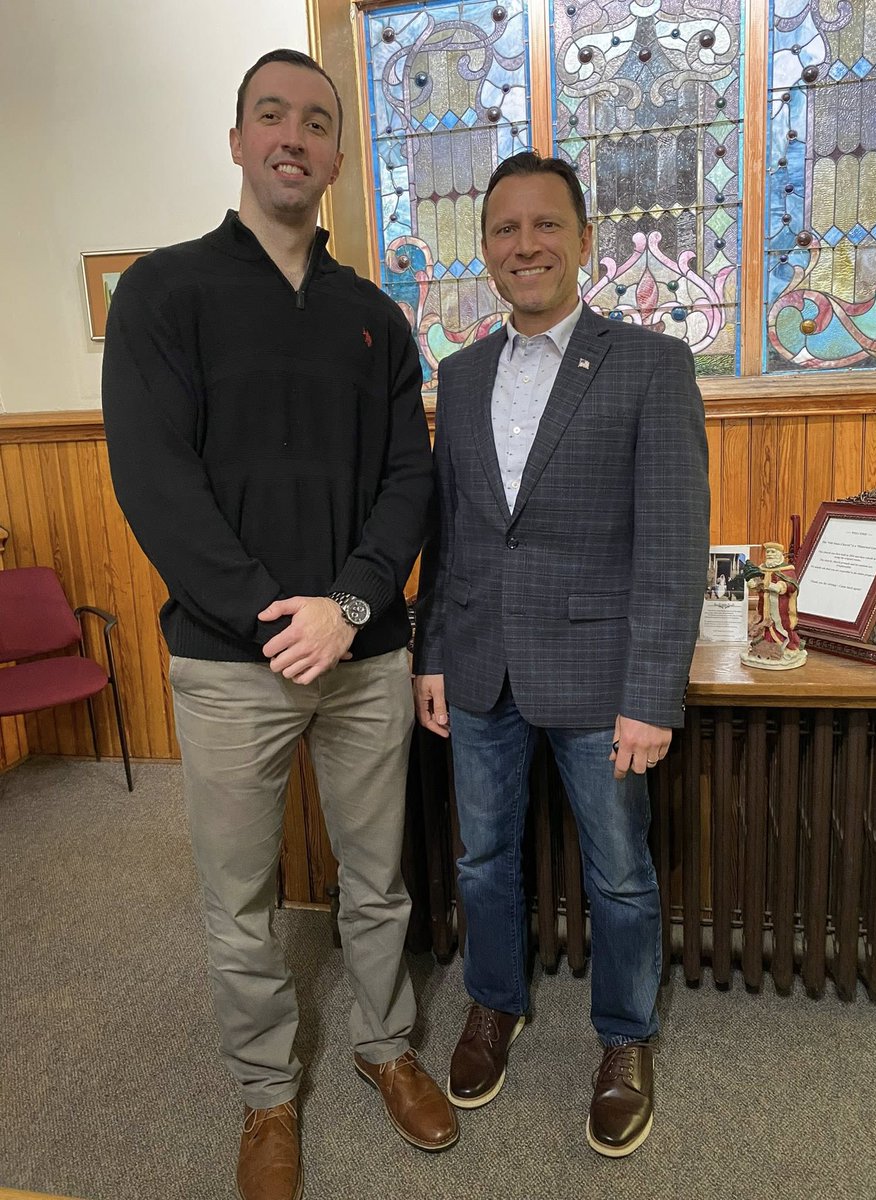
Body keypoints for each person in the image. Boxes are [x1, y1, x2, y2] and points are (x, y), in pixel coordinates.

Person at [102, 48, 457, 1200]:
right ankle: (266, 1095)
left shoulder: (373, 316)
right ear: (240, 139)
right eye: (272, 116)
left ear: (340, 155)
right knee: (240, 896)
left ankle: (384, 1048)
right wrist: (273, 617)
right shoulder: (164, 292)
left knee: (376, 878)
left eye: (316, 120)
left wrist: (348, 606)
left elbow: (410, 476)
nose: (293, 136)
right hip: (228, 662)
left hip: (364, 656)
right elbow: (156, 485)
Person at [413, 151, 709, 1158]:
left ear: (586, 241)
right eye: (505, 229)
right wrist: (432, 656)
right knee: (484, 861)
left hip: (600, 680)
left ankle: (625, 1036)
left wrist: (652, 694)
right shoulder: (459, 375)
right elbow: (452, 535)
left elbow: (671, 540)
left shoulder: (650, 365)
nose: (525, 244)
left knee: (620, 874)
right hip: (482, 665)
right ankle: (495, 1003)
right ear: (486, 249)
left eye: (546, 226)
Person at [741, 541, 807, 668]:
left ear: (780, 554)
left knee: (782, 626)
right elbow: (758, 583)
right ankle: (765, 645)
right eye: (768, 552)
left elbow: (792, 585)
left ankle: (787, 646)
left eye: (773, 552)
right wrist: (753, 584)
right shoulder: (762, 568)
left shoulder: (787, 570)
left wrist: (780, 586)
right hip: (764, 606)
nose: (770, 554)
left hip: (780, 607)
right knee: (764, 626)